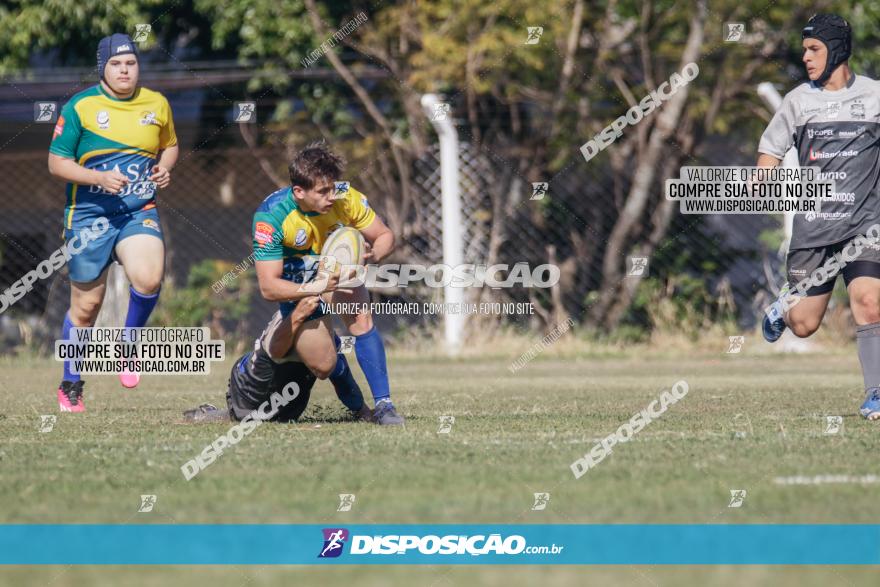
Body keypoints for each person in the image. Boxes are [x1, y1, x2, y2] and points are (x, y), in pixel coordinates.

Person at [48, 33, 178, 412]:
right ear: (103, 67)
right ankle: (71, 383)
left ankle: (128, 345)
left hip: (138, 212)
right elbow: (57, 163)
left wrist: (164, 168)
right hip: (88, 217)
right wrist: (98, 178)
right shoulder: (80, 107)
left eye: (131, 62)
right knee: (86, 309)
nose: (125, 70)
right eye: (116, 63)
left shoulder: (157, 103)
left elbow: (170, 145)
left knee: (150, 277)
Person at [759, 14, 880, 419]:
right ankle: (783, 306)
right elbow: (770, 153)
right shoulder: (798, 101)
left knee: (869, 302)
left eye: (814, 49)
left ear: (838, 50)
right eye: (805, 49)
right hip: (815, 233)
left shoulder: (875, 96)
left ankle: (876, 394)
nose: (806, 57)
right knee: (804, 324)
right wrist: (763, 182)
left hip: (865, 226)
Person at [251, 143, 404, 425]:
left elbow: (385, 236)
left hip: (339, 271)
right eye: (323, 192)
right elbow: (269, 287)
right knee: (323, 365)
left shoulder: (347, 197)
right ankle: (357, 405)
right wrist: (317, 287)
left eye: (333, 187)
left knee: (361, 320)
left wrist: (371, 255)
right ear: (299, 192)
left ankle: (384, 406)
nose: (332, 196)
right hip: (299, 283)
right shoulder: (271, 216)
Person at [184, 296, 372, 423]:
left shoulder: (322, 325)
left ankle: (227, 415)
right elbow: (276, 350)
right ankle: (220, 414)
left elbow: (341, 374)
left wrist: (363, 411)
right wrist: (298, 316)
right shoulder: (287, 324)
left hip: (286, 410)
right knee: (250, 412)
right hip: (246, 395)